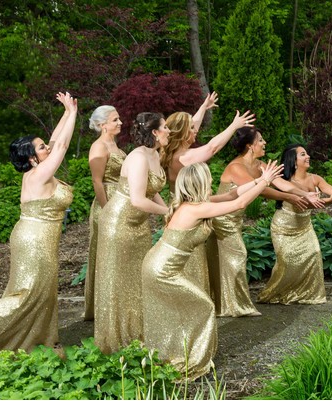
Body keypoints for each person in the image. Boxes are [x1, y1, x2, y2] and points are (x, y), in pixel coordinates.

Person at [142, 160, 283, 379]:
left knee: (183, 310)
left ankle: (176, 355)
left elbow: (231, 196)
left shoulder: (197, 204)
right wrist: (265, 181)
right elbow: (239, 204)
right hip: (162, 269)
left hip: (160, 264)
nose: (212, 180)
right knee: (204, 306)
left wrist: (259, 181)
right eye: (208, 177)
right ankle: (191, 362)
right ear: (200, 182)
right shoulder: (197, 208)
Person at [0, 92, 77, 355]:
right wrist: (75, 115)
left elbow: (56, 142)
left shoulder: (38, 169)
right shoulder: (39, 173)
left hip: (36, 236)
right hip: (35, 240)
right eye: (42, 147)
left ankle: (37, 339)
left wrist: (66, 112)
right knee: (29, 294)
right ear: (32, 157)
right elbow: (63, 147)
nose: (48, 148)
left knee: (41, 292)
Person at [210, 127, 322, 316]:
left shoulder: (260, 165)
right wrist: (289, 198)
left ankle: (228, 304)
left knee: (232, 261)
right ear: (250, 146)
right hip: (221, 218)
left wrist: (305, 193)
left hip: (235, 218)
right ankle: (234, 306)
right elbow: (261, 189)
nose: (264, 143)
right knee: (237, 257)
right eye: (260, 140)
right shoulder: (236, 167)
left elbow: (281, 183)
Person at [94, 111, 171, 354]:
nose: (170, 131)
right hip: (120, 223)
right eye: (166, 127)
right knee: (119, 281)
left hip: (139, 225)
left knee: (137, 280)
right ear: (156, 133)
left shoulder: (155, 154)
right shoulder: (138, 158)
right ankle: (116, 341)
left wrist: (167, 207)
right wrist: (167, 212)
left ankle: (139, 331)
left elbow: (152, 188)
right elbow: (138, 199)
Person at [160, 95, 251, 302]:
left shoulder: (172, 151)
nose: (196, 130)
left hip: (184, 210)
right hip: (191, 215)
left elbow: (191, 125)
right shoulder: (183, 158)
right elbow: (212, 147)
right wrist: (234, 125)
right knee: (192, 258)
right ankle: (196, 300)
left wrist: (203, 107)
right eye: (191, 129)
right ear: (184, 134)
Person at [257, 144, 332, 305]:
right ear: (293, 161)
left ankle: (307, 294)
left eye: (306, 154)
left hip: (304, 226)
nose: (307, 156)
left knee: (314, 253)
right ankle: (275, 293)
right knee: (286, 262)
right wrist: (329, 202)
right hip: (283, 228)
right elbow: (306, 204)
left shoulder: (315, 178)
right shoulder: (286, 182)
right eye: (302, 154)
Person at [83, 105, 125, 321]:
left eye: (119, 119)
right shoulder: (98, 147)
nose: (120, 122)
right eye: (115, 120)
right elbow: (97, 181)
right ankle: (103, 306)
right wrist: (107, 210)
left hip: (121, 201)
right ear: (102, 125)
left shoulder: (114, 145)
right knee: (107, 254)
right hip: (107, 201)